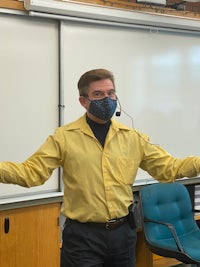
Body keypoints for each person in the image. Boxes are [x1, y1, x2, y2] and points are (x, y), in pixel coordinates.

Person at [1, 68, 200, 267]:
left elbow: (169, 169)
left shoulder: (133, 138)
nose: (107, 99)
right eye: (98, 94)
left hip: (123, 235)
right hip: (82, 238)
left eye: (110, 93)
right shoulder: (64, 137)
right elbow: (31, 173)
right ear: (83, 101)